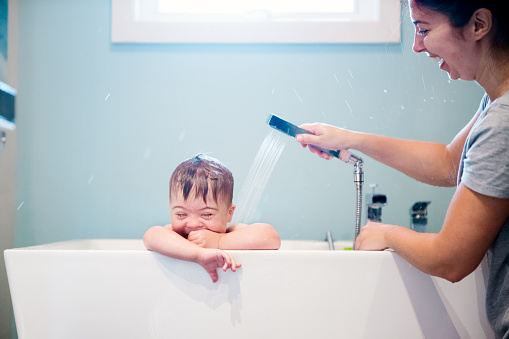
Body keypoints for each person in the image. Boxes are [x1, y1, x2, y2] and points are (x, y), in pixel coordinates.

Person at [295, 0, 509, 337]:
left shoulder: (502, 123)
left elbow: (451, 259)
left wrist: (386, 233)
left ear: (478, 24)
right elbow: (449, 163)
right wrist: (351, 139)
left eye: (423, 29)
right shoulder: (496, 103)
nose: (416, 45)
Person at [144, 154, 281, 283]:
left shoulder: (231, 232)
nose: (193, 224)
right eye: (181, 214)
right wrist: (199, 255)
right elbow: (151, 235)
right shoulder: (174, 236)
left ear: (229, 213)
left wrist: (219, 241)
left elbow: (271, 236)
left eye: (207, 214)